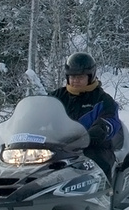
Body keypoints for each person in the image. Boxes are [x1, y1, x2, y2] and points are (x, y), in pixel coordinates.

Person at [50, 52, 122, 180]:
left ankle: (104, 197)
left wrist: (101, 128)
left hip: (93, 146)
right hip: (59, 146)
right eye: (72, 77)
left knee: (97, 165)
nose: (75, 81)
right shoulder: (56, 97)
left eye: (80, 77)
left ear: (90, 76)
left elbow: (111, 119)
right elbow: (42, 113)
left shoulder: (102, 99)